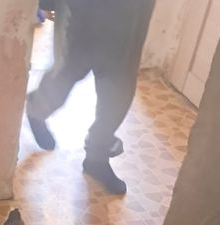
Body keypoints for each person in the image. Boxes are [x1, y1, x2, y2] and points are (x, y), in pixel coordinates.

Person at [27, 0, 156, 194]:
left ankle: (97, 156)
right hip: (81, 8)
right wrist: (47, 3)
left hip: (131, 11)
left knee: (119, 87)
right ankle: (37, 109)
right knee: (68, 69)